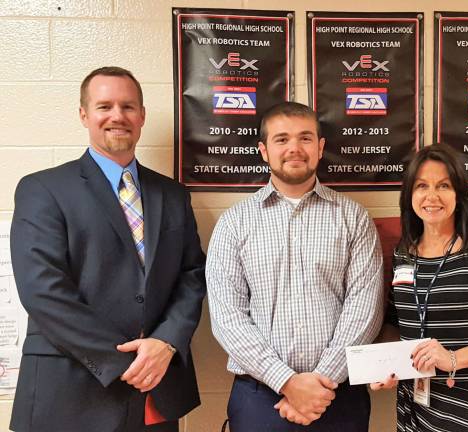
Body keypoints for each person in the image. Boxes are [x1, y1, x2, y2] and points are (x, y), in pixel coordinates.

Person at [9, 66, 207, 432]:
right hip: (69, 394)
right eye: (104, 106)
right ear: (84, 114)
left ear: (142, 115)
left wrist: (166, 341)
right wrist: (124, 361)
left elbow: (192, 275)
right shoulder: (43, 189)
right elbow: (42, 291)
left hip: (155, 389)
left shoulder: (173, 194)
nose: (118, 116)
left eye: (128, 106)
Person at [205, 101, 385, 431]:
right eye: (281, 139)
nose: (294, 149)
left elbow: (364, 310)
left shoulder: (353, 218)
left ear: (320, 148)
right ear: (263, 150)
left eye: (305, 138)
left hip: (338, 395)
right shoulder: (234, 223)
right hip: (260, 396)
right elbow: (227, 317)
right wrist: (288, 383)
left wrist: (320, 385)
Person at [371, 144, 468, 432]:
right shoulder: (403, 254)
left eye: (443, 185)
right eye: (422, 186)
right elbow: (396, 321)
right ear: (410, 196)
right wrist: (385, 363)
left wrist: (453, 359)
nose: (431, 196)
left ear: (459, 194)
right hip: (413, 406)